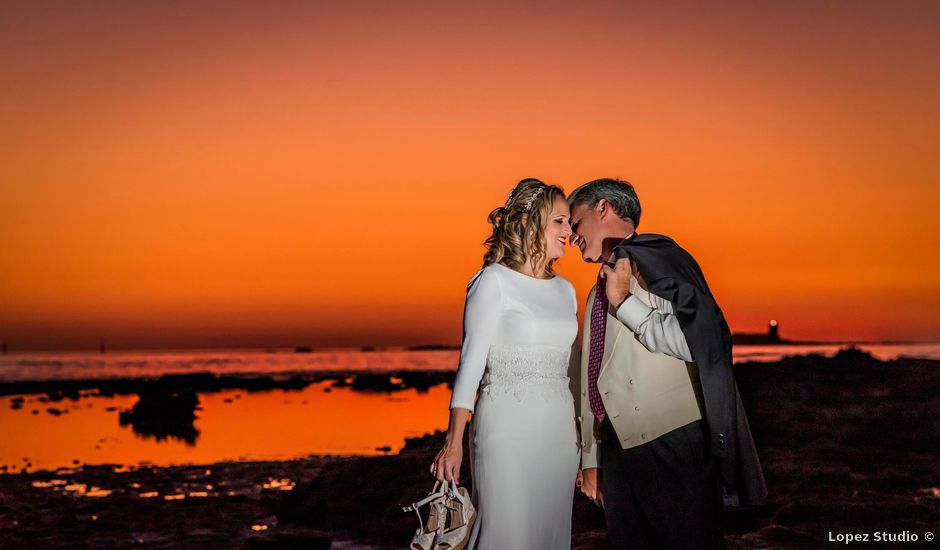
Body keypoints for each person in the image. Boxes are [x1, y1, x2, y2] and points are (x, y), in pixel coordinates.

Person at [567, 178, 767, 549]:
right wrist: (591, 458)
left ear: (603, 208)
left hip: (673, 444)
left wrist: (626, 303)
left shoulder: (659, 260)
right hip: (618, 451)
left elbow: (698, 341)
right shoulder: (597, 290)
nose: (571, 236)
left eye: (575, 223)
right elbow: (591, 377)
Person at [431, 178, 581, 549]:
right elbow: (471, 363)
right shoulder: (492, 281)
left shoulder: (567, 290)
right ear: (531, 222)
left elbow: (573, 370)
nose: (569, 231)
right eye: (559, 221)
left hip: (561, 435)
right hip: (505, 432)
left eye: (569, 222)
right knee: (506, 536)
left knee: (549, 537)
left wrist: (588, 446)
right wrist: (454, 440)